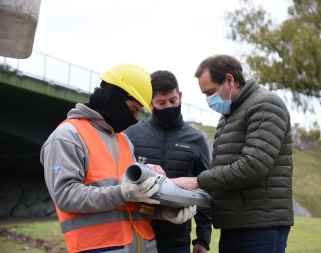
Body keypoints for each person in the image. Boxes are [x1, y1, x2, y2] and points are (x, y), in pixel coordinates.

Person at [40, 63, 197, 253]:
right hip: (99, 248)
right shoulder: (68, 136)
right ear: (114, 98)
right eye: (132, 109)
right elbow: (66, 196)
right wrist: (122, 194)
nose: (134, 118)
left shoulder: (123, 140)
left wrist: (160, 213)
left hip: (145, 246)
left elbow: (131, 201)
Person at [172, 55, 294, 253]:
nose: (208, 99)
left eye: (211, 92)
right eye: (204, 94)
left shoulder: (265, 105)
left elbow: (253, 166)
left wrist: (198, 181)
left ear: (229, 80)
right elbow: (223, 168)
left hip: (261, 227)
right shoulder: (228, 115)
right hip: (235, 223)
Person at [124, 70, 212, 253]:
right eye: (161, 103)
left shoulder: (196, 139)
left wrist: (202, 239)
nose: (169, 107)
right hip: (135, 237)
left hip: (177, 241)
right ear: (150, 103)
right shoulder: (130, 135)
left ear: (180, 96)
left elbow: (206, 189)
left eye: (173, 101)